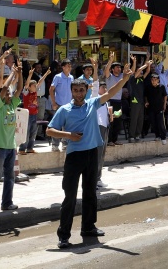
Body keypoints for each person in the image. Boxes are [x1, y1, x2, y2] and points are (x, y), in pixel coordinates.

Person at [46, 65, 132, 249]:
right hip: (74, 156)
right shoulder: (64, 110)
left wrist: (124, 79)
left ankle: (88, 227)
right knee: (70, 196)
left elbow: (110, 93)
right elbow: (49, 130)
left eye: (82, 90)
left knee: (90, 193)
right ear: (71, 91)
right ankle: (64, 235)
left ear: (86, 91)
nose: (78, 93)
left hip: (93, 153)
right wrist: (69, 135)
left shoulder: (93, 103)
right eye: (75, 90)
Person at [0, 64, 24, 214]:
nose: (9, 95)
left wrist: (20, 74)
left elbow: (20, 89)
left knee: (9, 177)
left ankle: (7, 203)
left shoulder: (12, 106)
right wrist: (12, 73)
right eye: (7, 94)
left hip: (10, 147)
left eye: (9, 94)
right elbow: (3, 89)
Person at [18, 67, 50, 154]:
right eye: (34, 86)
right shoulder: (26, 93)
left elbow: (40, 82)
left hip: (34, 114)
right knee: (26, 132)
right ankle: (22, 149)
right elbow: (27, 84)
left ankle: (30, 148)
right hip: (27, 115)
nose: (36, 87)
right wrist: (30, 75)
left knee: (33, 132)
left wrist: (46, 74)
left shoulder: (35, 92)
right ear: (29, 87)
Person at [50, 59, 74, 151]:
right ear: (63, 67)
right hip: (59, 104)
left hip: (69, 105)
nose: (69, 67)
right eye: (67, 66)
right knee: (57, 125)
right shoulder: (58, 77)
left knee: (67, 126)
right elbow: (51, 89)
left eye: (70, 66)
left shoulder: (71, 77)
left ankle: (65, 143)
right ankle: (55, 145)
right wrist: (53, 102)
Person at [127, 57, 150, 142]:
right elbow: (140, 69)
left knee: (140, 119)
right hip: (134, 102)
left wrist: (148, 64)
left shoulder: (141, 79)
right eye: (140, 72)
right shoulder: (132, 79)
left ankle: (137, 134)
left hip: (141, 102)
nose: (142, 73)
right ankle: (131, 136)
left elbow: (147, 71)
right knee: (134, 119)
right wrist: (145, 64)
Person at [95, 81, 113, 189]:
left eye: (106, 87)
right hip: (98, 127)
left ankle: (98, 178)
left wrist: (110, 114)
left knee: (101, 155)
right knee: (97, 155)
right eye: (103, 87)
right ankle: (94, 179)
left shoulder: (105, 100)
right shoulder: (96, 99)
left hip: (105, 127)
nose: (105, 89)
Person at [144, 72, 168, 144]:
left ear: (158, 80)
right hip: (151, 108)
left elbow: (165, 96)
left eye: (155, 79)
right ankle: (157, 135)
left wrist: (164, 105)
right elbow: (145, 96)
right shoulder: (148, 87)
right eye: (152, 79)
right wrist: (146, 102)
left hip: (159, 108)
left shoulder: (162, 87)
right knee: (153, 123)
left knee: (160, 123)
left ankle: (163, 137)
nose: (154, 81)